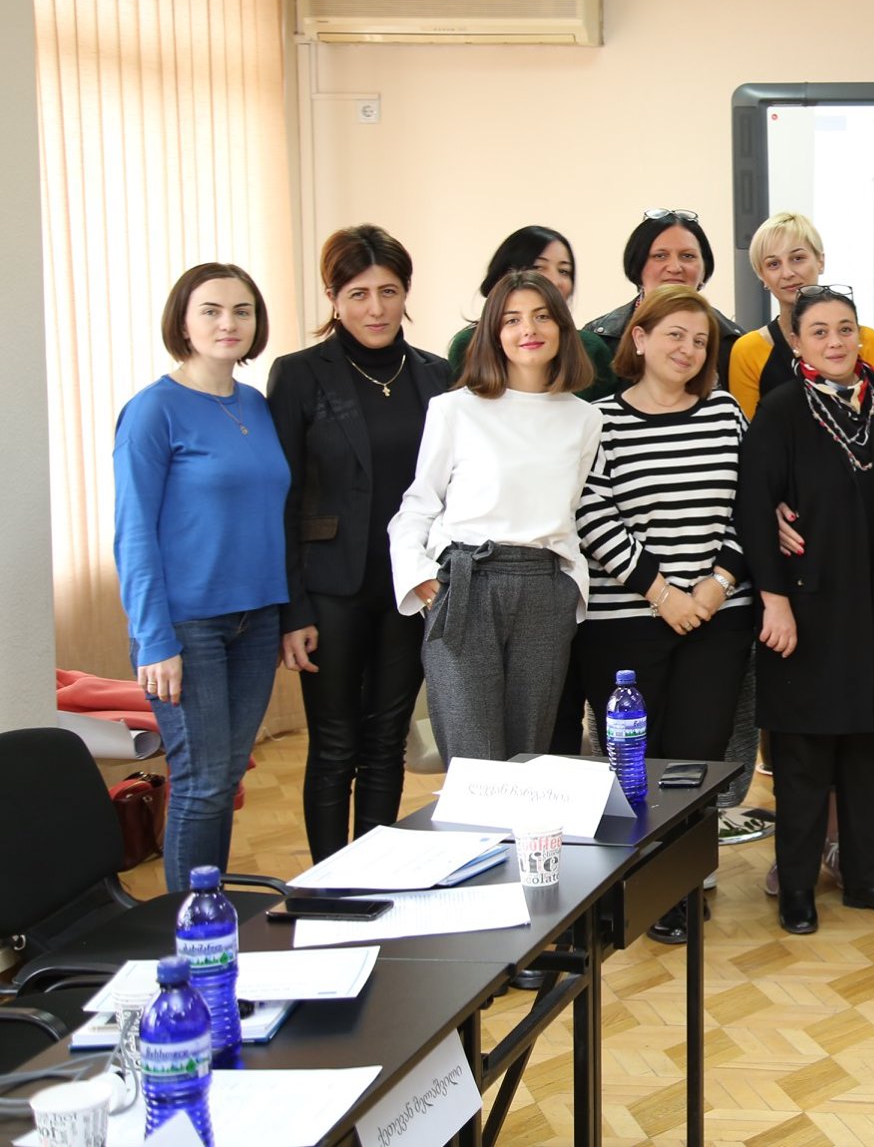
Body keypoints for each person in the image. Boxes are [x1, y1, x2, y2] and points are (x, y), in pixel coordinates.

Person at [737, 286, 874, 936]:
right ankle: (797, 887)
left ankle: (866, 877)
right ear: (796, 340)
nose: (834, 341)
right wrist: (773, 601)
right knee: (803, 760)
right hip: (806, 610)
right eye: (819, 330)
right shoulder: (781, 409)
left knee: (871, 753)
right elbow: (753, 510)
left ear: (861, 335)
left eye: (845, 328)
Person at [574, 285, 753, 943]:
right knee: (634, 760)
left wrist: (716, 584)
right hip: (623, 616)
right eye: (675, 334)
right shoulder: (600, 420)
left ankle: (681, 886)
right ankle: (632, 880)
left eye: (700, 340)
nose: (689, 349)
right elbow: (591, 513)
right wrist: (662, 592)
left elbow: (751, 503)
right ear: (640, 338)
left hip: (718, 614)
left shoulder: (725, 413)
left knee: (696, 755)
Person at [268, 227, 450, 861]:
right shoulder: (298, 375)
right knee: (334, 745)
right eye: (359, 294)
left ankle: (374, 874)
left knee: (385, 741)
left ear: (406, 293)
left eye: (389, 291)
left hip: (409, 587)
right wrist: (292, 610)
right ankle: (326, 887)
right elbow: (284, 498)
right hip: (330, 591)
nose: (376, 308)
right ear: (333, 298)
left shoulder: (436, 374)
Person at [114, 263, 290, 887]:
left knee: (226, 777)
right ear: (183, 323)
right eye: (211, 310)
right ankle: (188, 930)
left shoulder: (256, 405)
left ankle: (211, 909)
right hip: (188, 627)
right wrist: (154, 639)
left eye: (242, 310)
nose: (228, 323)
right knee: (200, 781)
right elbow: (133, 532)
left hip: (257, 620)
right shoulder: (153, 411)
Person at [391, 271, 603, 762]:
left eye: (542, 316)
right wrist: (421, 579)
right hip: (466, 582)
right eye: (512, 319)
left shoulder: (585, 418)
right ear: (493, 332)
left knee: (528, 756)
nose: (528, 329)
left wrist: (569, 588)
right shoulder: (453, 410)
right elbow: (418, 505)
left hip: (545, 589)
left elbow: (570, 511)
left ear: (562, 327)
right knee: (474, 760)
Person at [727, 212, 874, 420]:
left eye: (797, 258)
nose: (787, 273)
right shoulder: (747, 351)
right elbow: (749, 433)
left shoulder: (866, 341)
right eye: (773, 264)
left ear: (821, 261)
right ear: (762, 276)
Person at [447, 226, 616, 403]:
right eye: (538, 267)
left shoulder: (591, 348)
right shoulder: (468, 345)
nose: (555, 281)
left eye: (564, 271)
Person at [584, 208, 745, 390]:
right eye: (660, 256)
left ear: (704, 268)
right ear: (637, 265)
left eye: (687, 256)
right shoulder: (600, 339)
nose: (675, 267)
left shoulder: (733, 342)